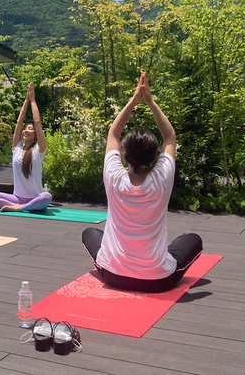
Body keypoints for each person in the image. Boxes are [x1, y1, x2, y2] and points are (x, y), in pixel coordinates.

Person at [82, 72, 203, 293]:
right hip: (158, 280)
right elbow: (170, 137)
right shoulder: (161, 179)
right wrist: (150, 102)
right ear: (154, 155)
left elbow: (113, 134)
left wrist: (134, 101)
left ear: (124, 155)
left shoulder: (113, 176)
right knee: (193, 239)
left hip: (112, 275)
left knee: (90, 233)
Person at [0, 82, 52, 212]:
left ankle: (21, 208)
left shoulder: (39, 149)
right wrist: (26, 100)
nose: (26, 130)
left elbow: (37, 122)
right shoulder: (17, 148)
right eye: (25, 128)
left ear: (36, 134)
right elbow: (18, 122)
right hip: (16, 198)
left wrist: (33, 100)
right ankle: (21, 206)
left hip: (35, 197)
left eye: (30, 129)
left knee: (46, 197)